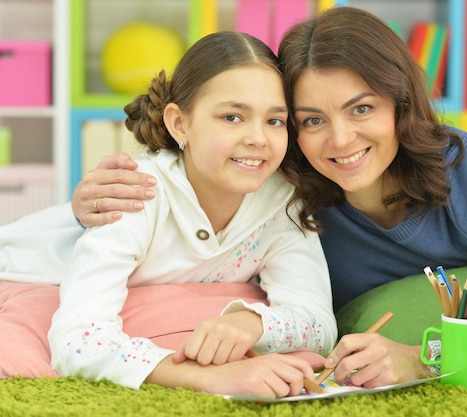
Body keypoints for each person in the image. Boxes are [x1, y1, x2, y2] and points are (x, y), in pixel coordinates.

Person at [70, 7, 467, 388]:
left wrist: (427, 358)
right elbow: (190, 189)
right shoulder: (289, 185)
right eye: (311, 120)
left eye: (361, 109)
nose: (341, 141)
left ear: (399, 102)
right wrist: (81, 210)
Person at [0, 31, 337, 398]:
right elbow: (77, 342)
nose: (258, 138)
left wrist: (252, 322)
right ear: (179, 124)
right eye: (232, 117)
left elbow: (318, 320)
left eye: (274, 121)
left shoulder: (281, 202)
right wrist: (208, 378)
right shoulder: (135, 196)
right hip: (24, 270)